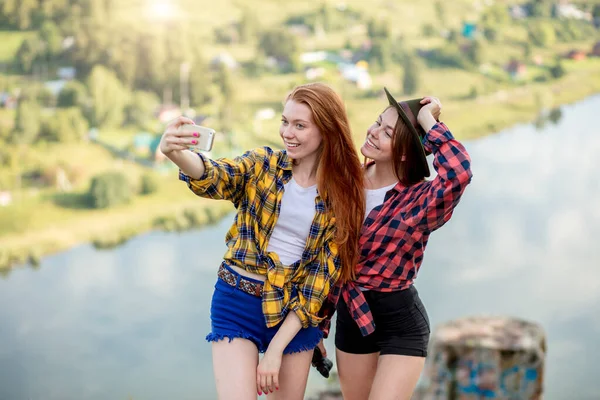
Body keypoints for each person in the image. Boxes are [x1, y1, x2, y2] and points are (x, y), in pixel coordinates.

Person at [159, 82, 365, 400]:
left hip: (293, 315)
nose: (288, 133)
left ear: (326, 130)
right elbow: (215, 176)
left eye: (300, 125)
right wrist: (176, 153)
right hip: (237, 301)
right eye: (285, 121)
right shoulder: (263, 165)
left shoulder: (342, 198)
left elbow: (317, 286)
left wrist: (275, 351)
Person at [322, 88, 473, 400]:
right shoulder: (343, 182)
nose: (373, 132)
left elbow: (458, 174)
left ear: (404, 152)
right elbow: (320, 259)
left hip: (400, 322)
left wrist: (428, 121)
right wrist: (316, 324)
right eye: (377, 123)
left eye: (387, 132)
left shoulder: (420, 200)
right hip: (352, 315)